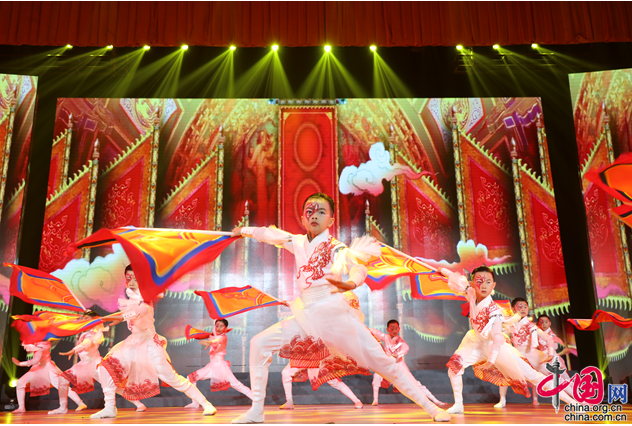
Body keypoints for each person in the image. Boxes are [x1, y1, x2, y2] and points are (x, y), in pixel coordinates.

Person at [231, 192, 450, 423]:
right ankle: (257, 410)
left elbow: (358, 268)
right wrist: (243, 230)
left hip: (334, 317)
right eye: (309, 211)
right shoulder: (297, 242)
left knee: (385, 365)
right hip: (307, 317)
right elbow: (271, 235)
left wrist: (351, 283)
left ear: (331, 220)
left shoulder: (336, 248)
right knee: (258, 343)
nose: (314, 215)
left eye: (321, 212)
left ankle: (430, 408)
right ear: (303, 218)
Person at [441, 266, 576, 414]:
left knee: (534, 377)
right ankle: (458, 404)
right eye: (479, 281)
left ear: (493, 285)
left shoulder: (494, 311)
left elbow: (497, 337)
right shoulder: (471, 291)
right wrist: (442, 271)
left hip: (495, 348)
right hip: (474, 342)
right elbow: (456, 280)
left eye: (488, 282)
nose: (483, 285)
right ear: (473, 283)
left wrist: (491, 360)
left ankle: (573, 402)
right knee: (454, 368)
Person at [93, 265, 217, 418]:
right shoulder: (132, 299)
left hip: (150, 347)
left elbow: (135, 313)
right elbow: (125, 312)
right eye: (128, 278)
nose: (131, 282)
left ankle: (206, 403)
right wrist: (103, 319)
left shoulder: (146, 301)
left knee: (172, 378)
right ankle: (109, 407)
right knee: (105, 369)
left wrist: (114, 318)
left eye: (136, 279)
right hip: (133, 345)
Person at [54, 312, 146, 414]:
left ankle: (138, 404)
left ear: (93, 321)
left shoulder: (95, 333)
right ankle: (64, 407)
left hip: (95, 365)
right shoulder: (85, 333)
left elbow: (87, 343)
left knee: (115, 387)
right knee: (63, 379)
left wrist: (74, 350)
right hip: (83, 365)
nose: (84, 321)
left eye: (87, 319)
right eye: (84, 319)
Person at [495, 298, 561, 408]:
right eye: (519, 307)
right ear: (513, 309)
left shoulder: (531, 326)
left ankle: (574, 398)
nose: (523, 309)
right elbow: (503, 333)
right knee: (504, 373)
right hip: (517, 354)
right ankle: (502, 399)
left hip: (532, 355)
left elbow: (549, 339)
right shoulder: (510, 323)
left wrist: (550, 353)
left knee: (553, 376)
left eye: (525, 307)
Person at [370, 320, 445, 407]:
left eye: (396, 328)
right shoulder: (386, 337)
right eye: (392, 328)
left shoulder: (401, 342)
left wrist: (397, 355)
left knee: (415, 383)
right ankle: (375, 400)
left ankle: (434, 400)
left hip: (399, 363)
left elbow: (405, 348)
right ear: (388, 329)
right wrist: (364, 328)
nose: (394, 331)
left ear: (399, 329)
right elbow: (376, 333)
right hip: (388, 363)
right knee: (377, 376)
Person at [184, 319, 252, 408]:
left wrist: (210, 342)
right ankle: (195, 402)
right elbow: (206, 334)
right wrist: (192, 335)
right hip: (211, 367)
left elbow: (218, 340)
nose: (218, 328)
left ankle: (257, 400)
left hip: (221, 368)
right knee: (190, 378)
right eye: (217, 326)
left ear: (225, 328)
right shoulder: (213, 334)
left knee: (238, 385)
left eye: (221, 326)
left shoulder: (223, 338)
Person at [11, 341, 86, 414]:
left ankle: (80, 403)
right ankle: (21, 407)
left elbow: (35, 360)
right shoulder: (38, 343)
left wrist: (20, 364)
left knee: (61, 386)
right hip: (37, 369)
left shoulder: (42, 345)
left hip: (47, 368)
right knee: (20, 382)